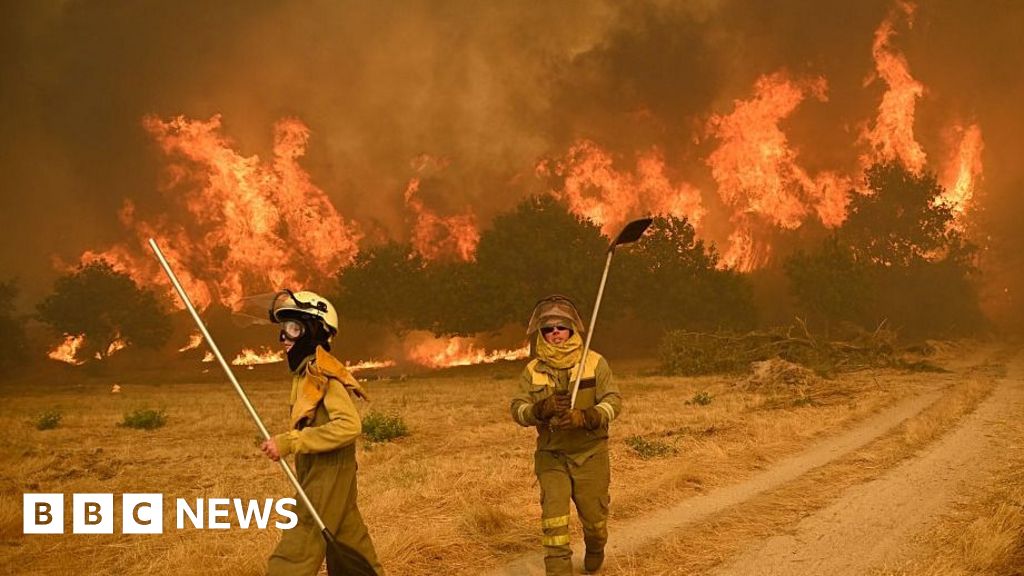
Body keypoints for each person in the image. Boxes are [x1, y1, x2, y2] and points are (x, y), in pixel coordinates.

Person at [260, 289, 384, 576]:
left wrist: (291, 441)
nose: (284, 337)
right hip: (324, 470)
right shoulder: (306, 374)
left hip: (327, 473)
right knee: (351, 540)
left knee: (299, 543)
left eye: (293, 328)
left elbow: (349, 425)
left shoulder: (325, 375)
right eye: (283, 328)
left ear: (314, 331)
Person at [511, 295, 622, 575]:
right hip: (552, 455)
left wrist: (586, 417)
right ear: (542, 333)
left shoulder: (594, 363)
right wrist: (539, 409)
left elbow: (613, 402)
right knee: (554, 522)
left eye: (561, 327)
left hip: (590, 454)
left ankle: (595, 547)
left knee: (595, 521)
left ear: (571, 329)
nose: (555, 333)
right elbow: (518, 410)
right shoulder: (533, 370)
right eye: (548, 329)